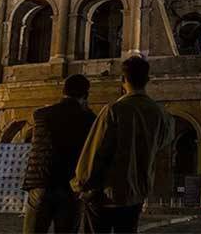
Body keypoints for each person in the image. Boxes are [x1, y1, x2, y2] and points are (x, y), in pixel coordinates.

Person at [73, 56, 175, 234]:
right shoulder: (162, 115)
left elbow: (95, 151)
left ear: (123, 80)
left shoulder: (113, 110)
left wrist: (80, 184)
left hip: (105, 194)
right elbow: (162, 144)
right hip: (136, 194)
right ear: (147, 80)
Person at [22, 74, 97, 234]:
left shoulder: (41, 114)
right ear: (85, 95)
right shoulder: (89, 118)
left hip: (40, 182)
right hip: (69, 186)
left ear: (63, 91)